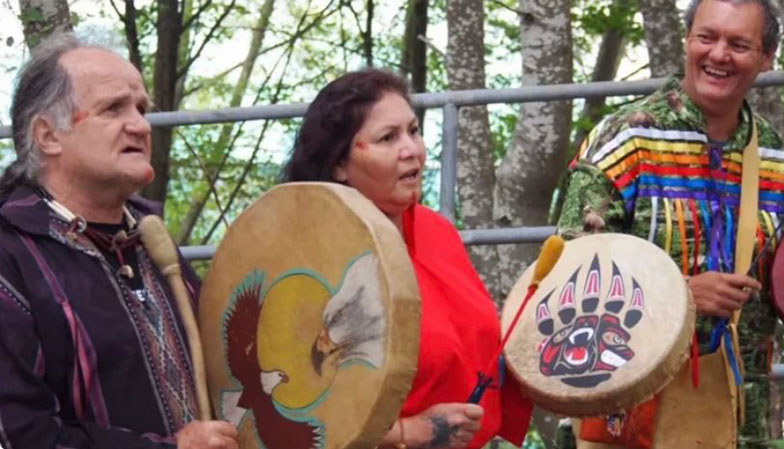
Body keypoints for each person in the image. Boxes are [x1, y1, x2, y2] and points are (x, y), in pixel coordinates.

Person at [557, 0, 784, 447]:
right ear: (687, 41)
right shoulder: (626, 138)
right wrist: (679, 295)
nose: (719, 54)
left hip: (740, 424)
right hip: (627, 419)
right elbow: (567, 274)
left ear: (766, 59)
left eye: (739, 44)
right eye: (707, 37)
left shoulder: (778, 162)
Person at [0, 33, 238, 448]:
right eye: (113, 108)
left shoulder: (149, 240)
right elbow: (22, 435)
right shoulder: (10, 257)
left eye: (142, 109)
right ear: (48, 136)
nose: (141, 125)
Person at [282, 69, 534, 449]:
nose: (412, 149)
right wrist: (406, 432)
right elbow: (293, 410)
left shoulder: (437, 231)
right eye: (388, 138)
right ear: (339, 165)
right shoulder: (311, 256)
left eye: (413, 131)